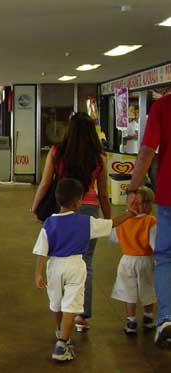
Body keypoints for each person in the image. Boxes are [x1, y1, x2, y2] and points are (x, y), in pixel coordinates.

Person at [33, 178, 135, 362]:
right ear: (77, 201)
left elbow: (42, 250)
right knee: (70, 307)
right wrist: (129, 214)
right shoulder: (86, 222)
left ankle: (60, 332)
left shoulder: (49, 223)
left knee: (56, 303)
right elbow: (111, 223)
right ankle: (62, 345)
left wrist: (38, 273)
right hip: (76, 265)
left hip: (54, 265)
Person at [31, 112, 109, 333]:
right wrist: (108, 218)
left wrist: (35, 206)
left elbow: (45, 183)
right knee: (86, 264)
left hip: (62, 209)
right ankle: (81, 315)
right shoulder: (99, 157)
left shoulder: (57, 152)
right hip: (89, 211)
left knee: (59, 259)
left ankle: (62, 308)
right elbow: (103, 193)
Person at [126, 92, 171, 346]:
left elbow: (146, 151)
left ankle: (166, 318)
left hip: (169, 195)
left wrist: (134, 189)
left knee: (165, 257)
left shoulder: (163, 106)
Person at [110, 186, 157, 335]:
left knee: (128, 290)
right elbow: (155, 243)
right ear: (147, 204)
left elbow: (113, 237)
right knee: (148, 288)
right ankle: (148, 318)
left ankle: (131, 321)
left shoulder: (123, 221)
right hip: (146, 259)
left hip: (127, 260)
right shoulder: (151, 221)